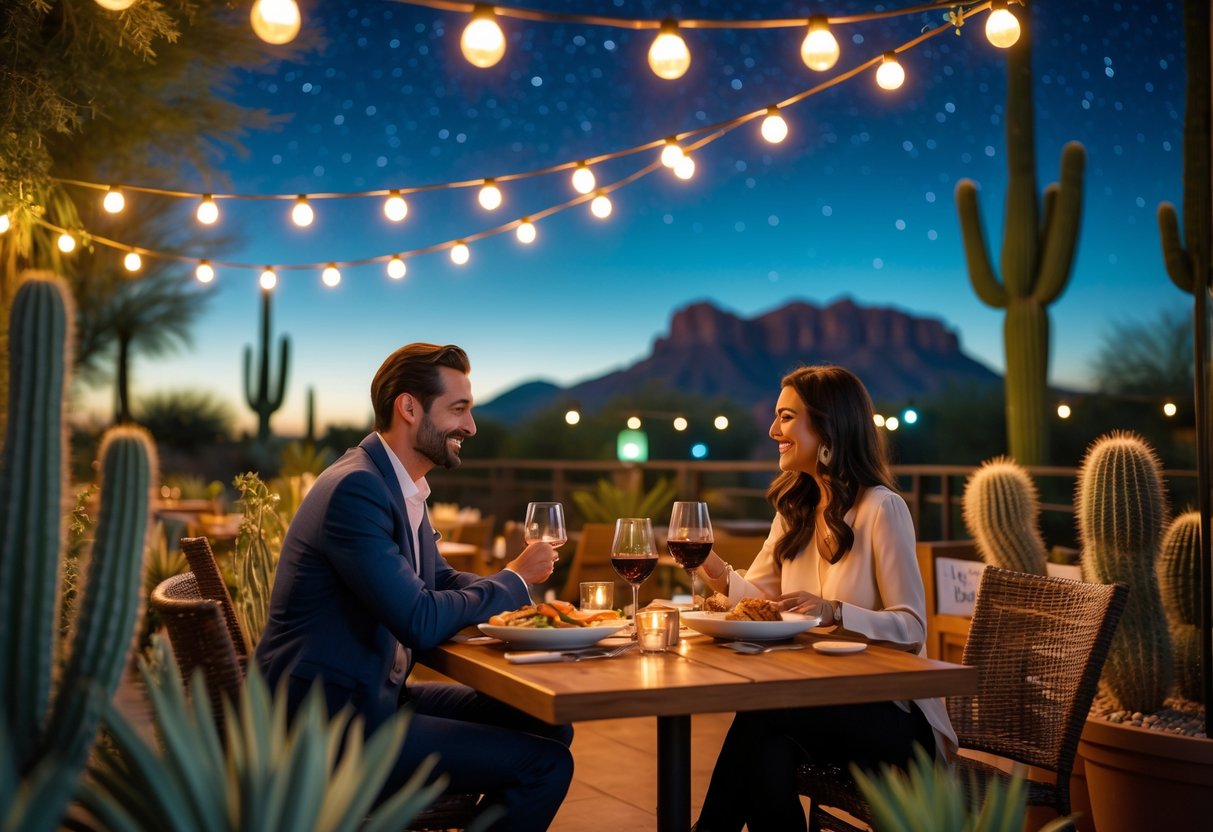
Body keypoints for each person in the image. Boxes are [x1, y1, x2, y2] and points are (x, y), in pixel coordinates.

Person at [255, 343, 572, 832]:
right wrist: (513, 580)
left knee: (549, 723)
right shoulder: (355, 490)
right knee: (546, 765)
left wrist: (524, 607)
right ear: (409, 407)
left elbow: (440, 581)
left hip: (375, 699)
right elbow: (420, 620)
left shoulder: (396, 484)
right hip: (331, 726)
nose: (471, 427)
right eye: (459, 409)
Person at [692, 365, 957, 832]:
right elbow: (761, 603)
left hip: (891, 714)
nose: (774, 430)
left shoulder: (882, 508)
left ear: (828, 425)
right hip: (813, 702)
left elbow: (914, 628)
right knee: (765, 757)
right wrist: (708, 564)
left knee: (760, 719)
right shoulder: (795, 507)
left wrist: (833, 611)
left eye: (787, 417)